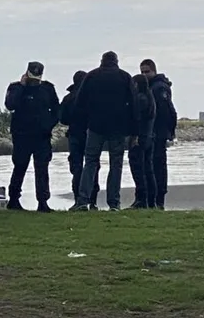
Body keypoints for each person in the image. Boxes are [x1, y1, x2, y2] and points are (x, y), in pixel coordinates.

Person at [71, 52, 139, 212]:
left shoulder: (91, 76)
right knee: (116, 165)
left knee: (90, 162)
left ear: (102, 61)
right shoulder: (124, 77)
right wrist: (134, 131)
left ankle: (83, 200)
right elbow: (134, 105)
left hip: (95, 126)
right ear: (116, 62)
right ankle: (113, 203)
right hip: (118, 127)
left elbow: (79, 102)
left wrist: (84, 122)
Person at [3, 61, 61, 212]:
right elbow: (10, 105)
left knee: (42, 168)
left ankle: (43, 202)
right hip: (22, 135)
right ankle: (14, 199)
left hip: (42, 136)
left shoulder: (48, 89)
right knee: (20, 166)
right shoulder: (15, 88)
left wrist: (48, 125)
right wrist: (22, 86)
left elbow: (56, 110)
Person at [141, 59, 177, 209]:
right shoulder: (150, 87)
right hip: (152, 132)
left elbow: (168, 111)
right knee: (151, 166)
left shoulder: (159, 88)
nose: (144, 74)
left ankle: (159, 199)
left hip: (158, 133)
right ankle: (153, 198)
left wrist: (170, 131)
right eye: (142, 72)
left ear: (154, 71)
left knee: (158, 166)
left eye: (147, 71)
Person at [59, 71, 99, 209]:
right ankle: (93, 201)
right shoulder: (92, 98)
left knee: (77, 168)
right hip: (91, 134)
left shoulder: (68, 98)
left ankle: (78, 200)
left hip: (75, 135)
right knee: (92, 166)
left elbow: (63, 119)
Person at [128, 74, 158, 208]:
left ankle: (141, 199)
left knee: (138, 169)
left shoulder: (140, 99)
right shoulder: (150, 98)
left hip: (139, 138)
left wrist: (134, 136)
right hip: (149, 137)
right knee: (148, 169)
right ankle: (151, 200)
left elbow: (136, 119)